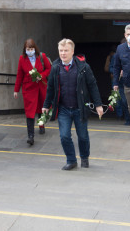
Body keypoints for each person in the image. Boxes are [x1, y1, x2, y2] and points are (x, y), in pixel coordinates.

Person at [42, 39, 104, 170]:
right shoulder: (55, 67)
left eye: (66, 51)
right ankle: (71, 160)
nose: (63, 53)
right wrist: (46, 105)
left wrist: (98, 104)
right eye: (61, 51)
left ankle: (84, 157)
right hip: (63, 108)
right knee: (64, 136)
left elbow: (92, 85)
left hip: (79, 108)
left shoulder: (83, 67)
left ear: (72, 52)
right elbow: (50, 88)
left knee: (82, 136)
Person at [14, 39, 51, 146]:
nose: (29, 51)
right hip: (28, 89)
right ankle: (31, 136)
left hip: (41, 87)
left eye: (31, 49)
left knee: (41, 107)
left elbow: (49, 69)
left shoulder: (42, 57)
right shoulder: (22, 59)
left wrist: (41, 75)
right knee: (30, 112)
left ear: (35, 49)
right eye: (27, 49)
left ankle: (41, 125)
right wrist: (16, 90)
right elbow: (19, 75)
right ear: (24, 50)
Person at [109, 38, 130, 125]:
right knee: (123, 101)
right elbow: (111, 67)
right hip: (120, 82)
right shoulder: (116, 56)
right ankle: (127, 119)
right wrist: (118, 72)